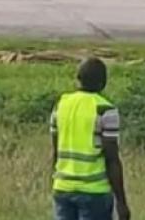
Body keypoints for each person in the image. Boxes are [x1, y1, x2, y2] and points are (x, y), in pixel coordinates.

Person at [51, 57, 130, 220]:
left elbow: (55, 150)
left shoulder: (61, 105)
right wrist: (121, 202)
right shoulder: (105, 109)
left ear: (77, 78)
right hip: (94, 192)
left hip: (63, 187)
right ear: (104, 82)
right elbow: (112, 159)